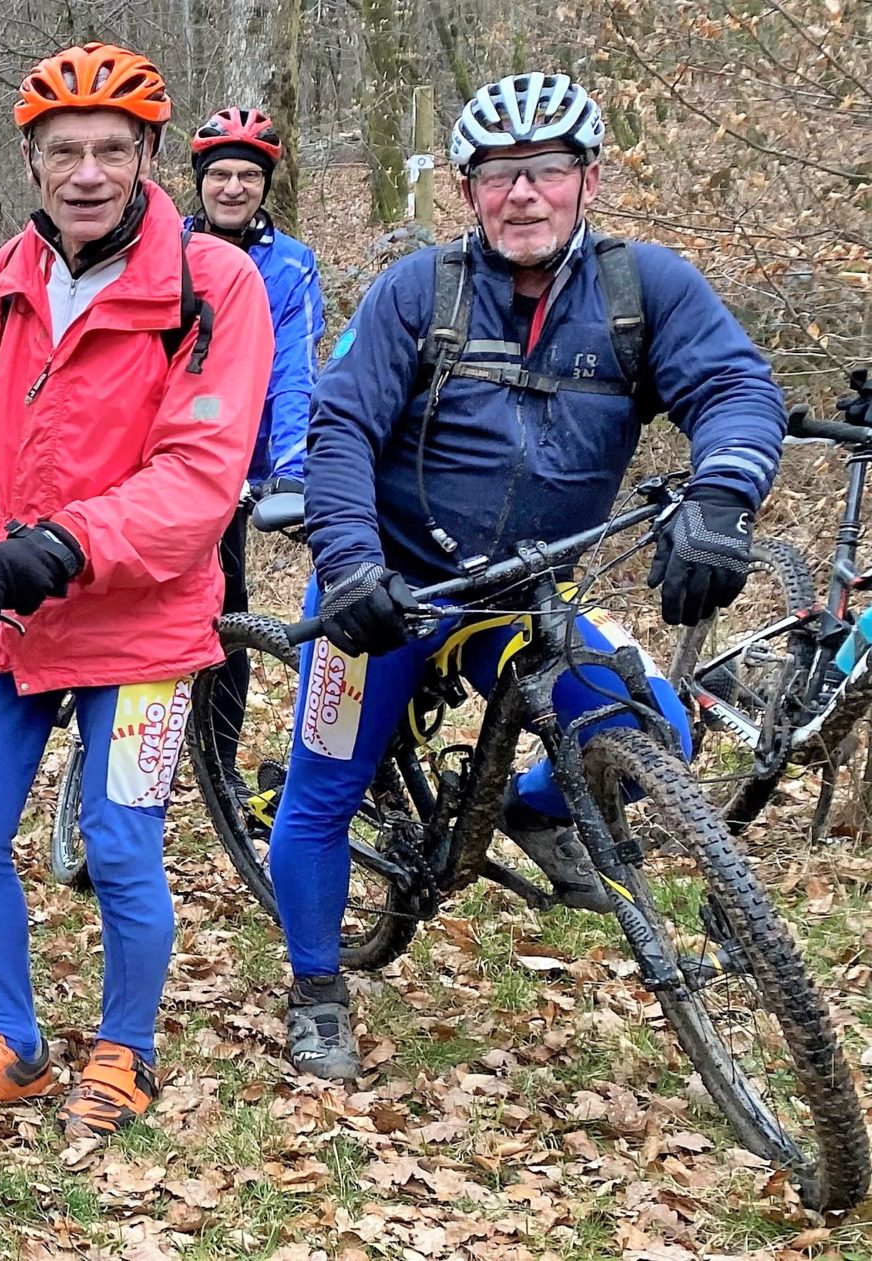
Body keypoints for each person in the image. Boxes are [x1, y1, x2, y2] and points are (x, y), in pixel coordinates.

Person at [270, 72, 783, 1081]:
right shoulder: (418, 290)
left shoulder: (645, 291)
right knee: (321, 790)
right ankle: (317, 987)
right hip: (391, 589)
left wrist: (723, 497)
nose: (522, 193)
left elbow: (732, 386)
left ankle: (533, 808)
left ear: (584, 179)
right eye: (498, 174)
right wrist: (348, 564)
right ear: (468, 191)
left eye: (544, 170)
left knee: (654, 730)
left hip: (521, 598)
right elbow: (339, 429)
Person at [0, 45, 273, 1144]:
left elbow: (199, 480)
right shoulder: (9, 272)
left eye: (112, 149)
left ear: (150, 155)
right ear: (32, 161)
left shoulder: (214, 285)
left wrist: (56, 547)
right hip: (9, 617)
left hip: (142, 623)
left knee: (116, 840)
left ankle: (126, 1048)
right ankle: (11, 1039)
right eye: (65, 151)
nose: (88, 171)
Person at [183, 107, 326, 773]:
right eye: (221, 175)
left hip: (242, 460)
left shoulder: (291, 265)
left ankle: (218, 765)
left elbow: (294, 372)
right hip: (165, 452)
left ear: (265, 186)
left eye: (248, 176)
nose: (234, 188)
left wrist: (291, 467)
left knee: (226, 609)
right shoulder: (165, 249)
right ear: (200, 183)